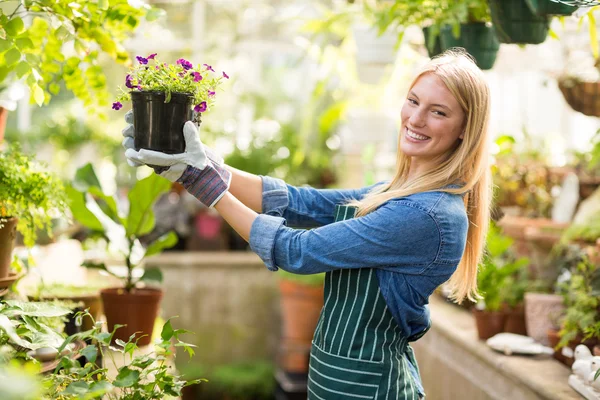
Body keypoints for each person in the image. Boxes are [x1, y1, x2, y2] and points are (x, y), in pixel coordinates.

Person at [123, 48, 491, 400]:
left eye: (438, 112)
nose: (415, 119)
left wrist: (204, 186)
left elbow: (297, 251)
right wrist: (204, 164)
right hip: (340, 381)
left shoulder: (425, 215)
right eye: (413, 101)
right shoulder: (397, 192)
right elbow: (304, 203)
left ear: (465, 129)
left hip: (371, 386)